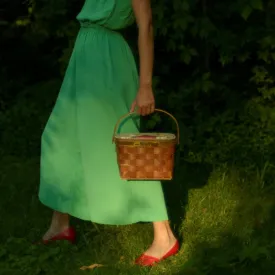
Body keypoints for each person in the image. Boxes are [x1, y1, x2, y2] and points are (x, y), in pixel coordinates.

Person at [38, 0, 179, 266]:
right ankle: (60, 223)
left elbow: (145, 24)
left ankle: (165, 235)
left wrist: (145, 85)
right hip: (84, 55)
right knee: (61, 138)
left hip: (107, 60)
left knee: (126, 148)